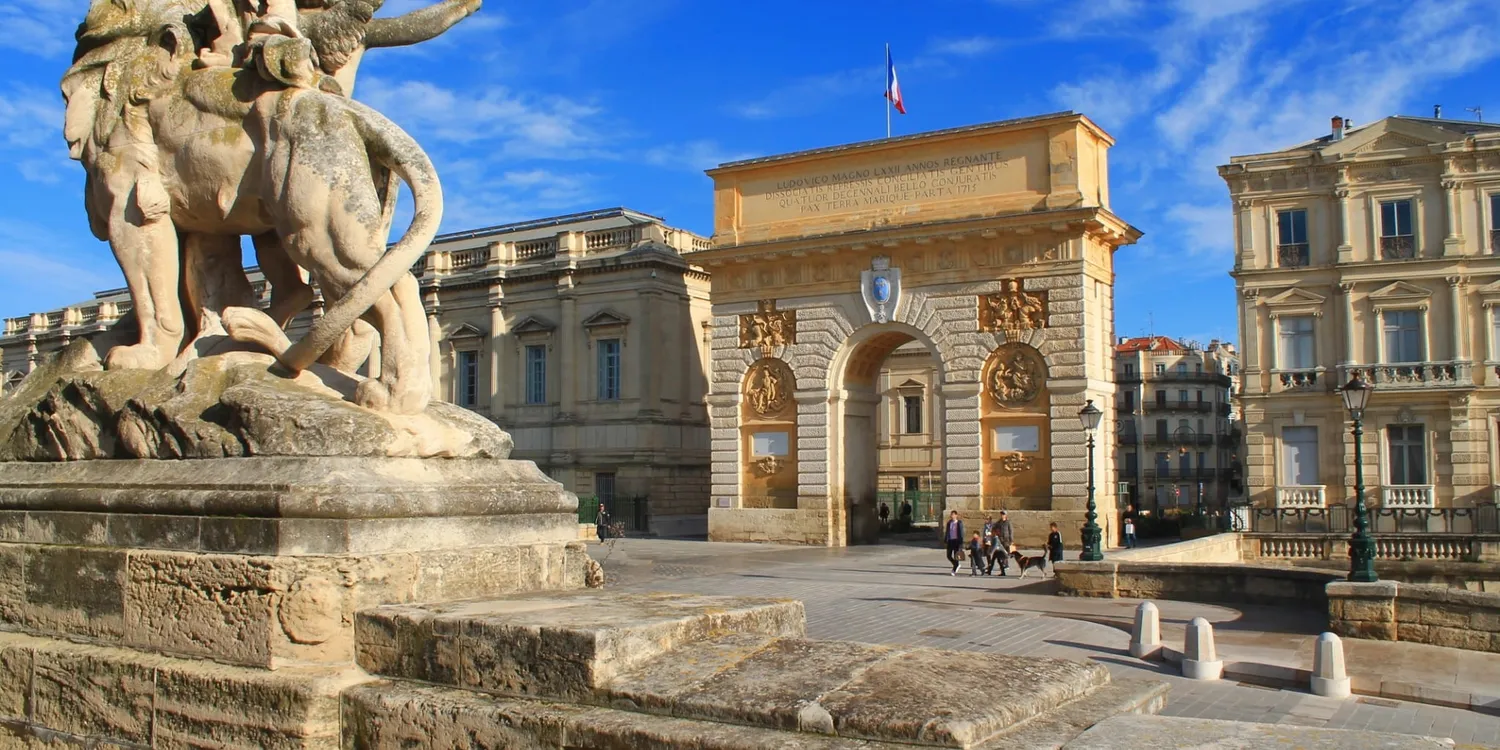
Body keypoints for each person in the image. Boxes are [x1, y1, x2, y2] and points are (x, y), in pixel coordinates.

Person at [941, 510, 964, 575]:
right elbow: (947, 532)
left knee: (956, 556)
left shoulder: (959, 523)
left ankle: (954, 569)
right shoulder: (949, 523)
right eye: (951, 515)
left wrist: (961, 542)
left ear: (956, 515)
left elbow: (962, 533)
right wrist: (946, 539)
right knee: (948, 555)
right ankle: (956, 564)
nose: (952, 516)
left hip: (957, 541)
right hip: (950, 541)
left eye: (953, 515)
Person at [992, 510, 1014, 575]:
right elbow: (994, 527)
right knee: (1001, 552)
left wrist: (1011, 540)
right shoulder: (999, 522)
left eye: (1003, 514)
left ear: (1005, 515)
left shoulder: (1008, 522)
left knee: (1006, 552)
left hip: (1006, 539)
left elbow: (1011, 531)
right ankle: (1003, 564)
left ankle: (1006, 565)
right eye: (1001, 514)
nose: (1002, 515)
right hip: (1000, 539)